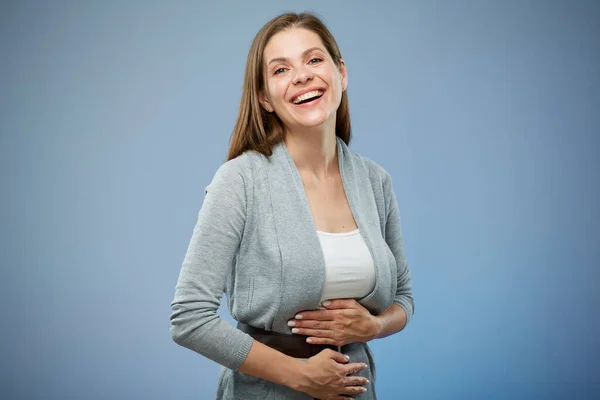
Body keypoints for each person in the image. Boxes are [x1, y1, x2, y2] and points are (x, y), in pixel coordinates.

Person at [170, 11, 414, 400]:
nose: (302, 75)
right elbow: (188, 318)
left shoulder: (375, 181)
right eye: (281, 69)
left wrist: (373, 327)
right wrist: (299, 375)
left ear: (341, 74)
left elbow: (403, 298)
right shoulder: (240, 180)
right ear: (264, 97)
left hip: (355, 390)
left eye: (314, 60)